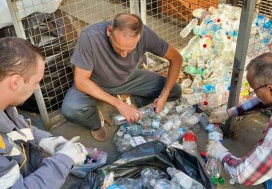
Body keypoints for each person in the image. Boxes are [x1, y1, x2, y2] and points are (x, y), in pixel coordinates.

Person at [61, 13, 183, 142]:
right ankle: (96, 122)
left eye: (130, 50)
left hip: (127, 79)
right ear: (109, 31)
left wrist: (164, 95)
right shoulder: (90, 37)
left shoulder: (145, 34)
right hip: (94, 83)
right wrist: (118, 104)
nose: (124, 55)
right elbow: (81, 81)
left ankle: (131, 102)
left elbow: (176, 58)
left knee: (175, 90)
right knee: (71, 109)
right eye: (118, 48)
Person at [206, 52, 272, 189]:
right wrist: (229, 113)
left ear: (270, 89)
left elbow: (246, 174)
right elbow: (265, 100)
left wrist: (220, 153)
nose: (255, 95)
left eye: (255, 90)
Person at [0, 37, 88, 189]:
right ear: (15, 82)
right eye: (36, 82)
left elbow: (16, 128)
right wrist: (63, 161)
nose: (36, 88)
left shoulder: (5, 103)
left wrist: (46, 140)